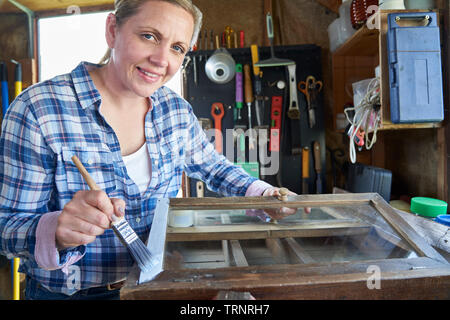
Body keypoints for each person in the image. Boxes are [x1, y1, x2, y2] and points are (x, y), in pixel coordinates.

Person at [0, 0, 300, 300]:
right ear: (112, 30)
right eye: (149, 36)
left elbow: (215, 168)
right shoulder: (38, 109)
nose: (161, 59)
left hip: (156, 287)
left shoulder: (175, 110)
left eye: (177, 48)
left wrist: (264, 195)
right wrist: (55, 230)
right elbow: (5, 227)